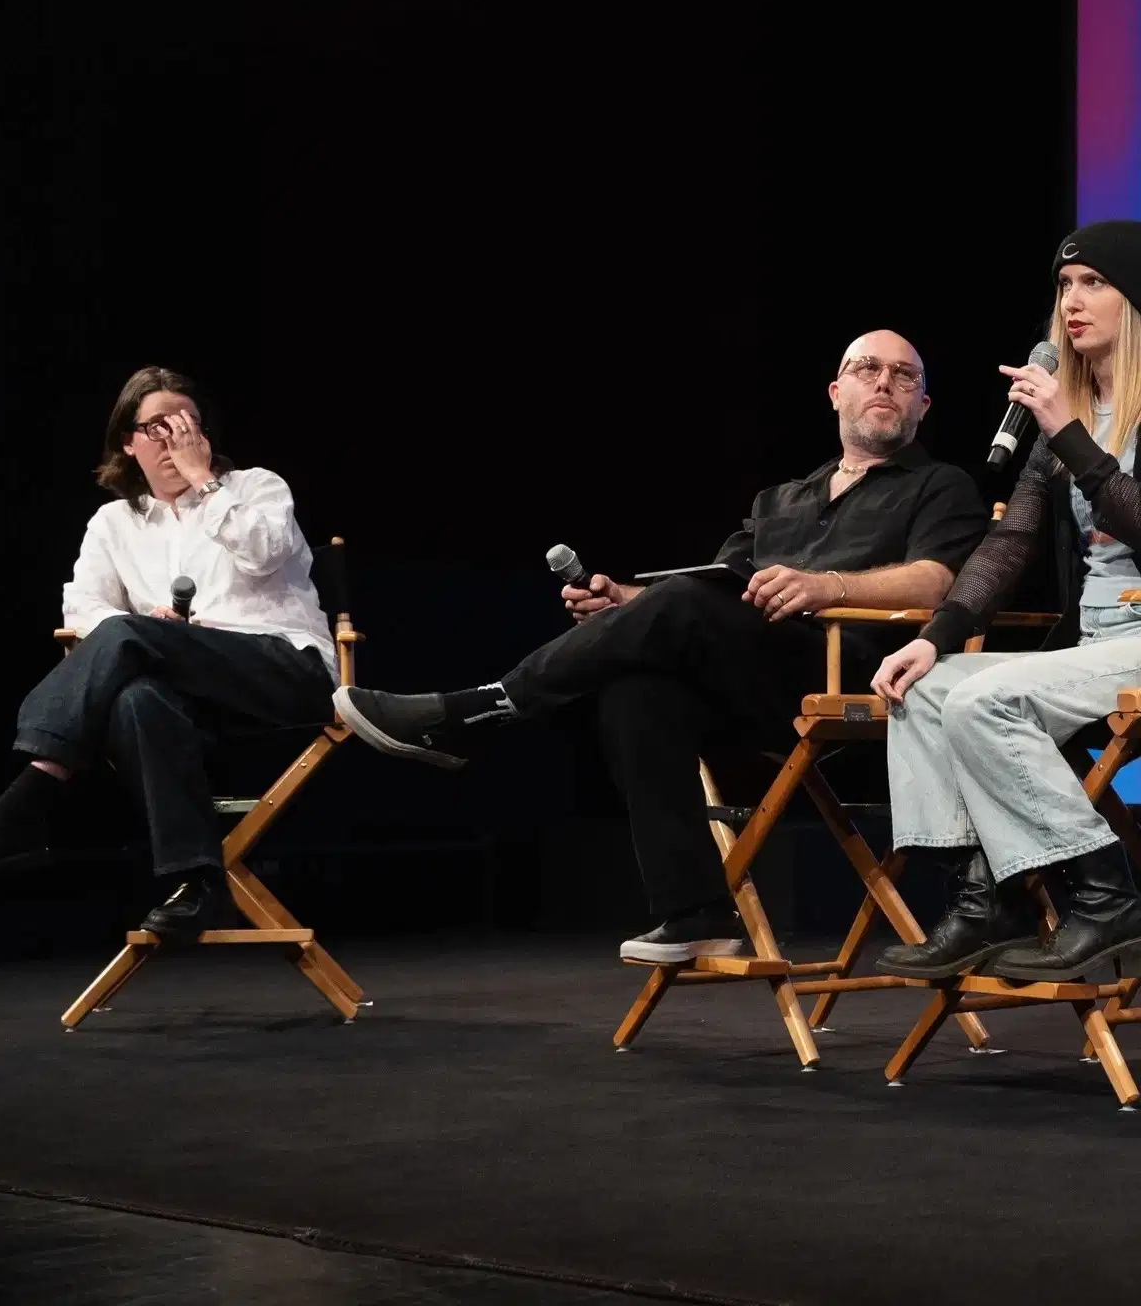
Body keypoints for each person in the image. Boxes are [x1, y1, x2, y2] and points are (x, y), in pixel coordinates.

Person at [332, 332, 987, 967]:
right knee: (636, 690)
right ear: (835, 391)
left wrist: (826, 585)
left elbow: (938, 584)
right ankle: (698, 909)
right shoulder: (780, 498)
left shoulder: (940, 486)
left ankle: (479, 712)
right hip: (754, 678)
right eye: (868, 369)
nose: (884, 383)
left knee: (673, 611)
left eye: (904, 377)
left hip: (850, 675)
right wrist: (623, 603)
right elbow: (710, 592)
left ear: (922, 406)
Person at [866, 219, 1141, 988]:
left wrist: (1069, 434)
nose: (1071, 302)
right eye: (1064, 286)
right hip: (1096, 646)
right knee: (925, 689)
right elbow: (1008, 546)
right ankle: (988, 900)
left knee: (982, 704)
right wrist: (936, 637)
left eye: (1093, 284)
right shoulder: (1065, 406)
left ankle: (1107, 899)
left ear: (1136, 301)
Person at [0, 367, 339, 941]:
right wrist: (149, 632)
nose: (172, 439)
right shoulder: (114, 523)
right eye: (156, 427)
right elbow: (82, 610)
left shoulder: (256, 488)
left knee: (126, 637)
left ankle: (22, 807)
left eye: (184, 424)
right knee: (136, 697)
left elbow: (263, 555)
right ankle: (199, 884)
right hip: (195, 697)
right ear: (128, 443)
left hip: (286, 671)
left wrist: (203, 481)